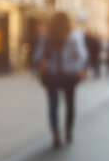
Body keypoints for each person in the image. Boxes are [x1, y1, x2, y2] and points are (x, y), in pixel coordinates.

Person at [32, 12, 88, 148]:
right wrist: (76, 68)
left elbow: (37, 57)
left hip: (51, 75)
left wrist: (46, 64)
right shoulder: (74, 36)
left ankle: (56, 134)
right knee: (70, 104)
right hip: (69, 75)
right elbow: (82, 56)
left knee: (53, 105)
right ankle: (68, 132)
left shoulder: (46, 37)